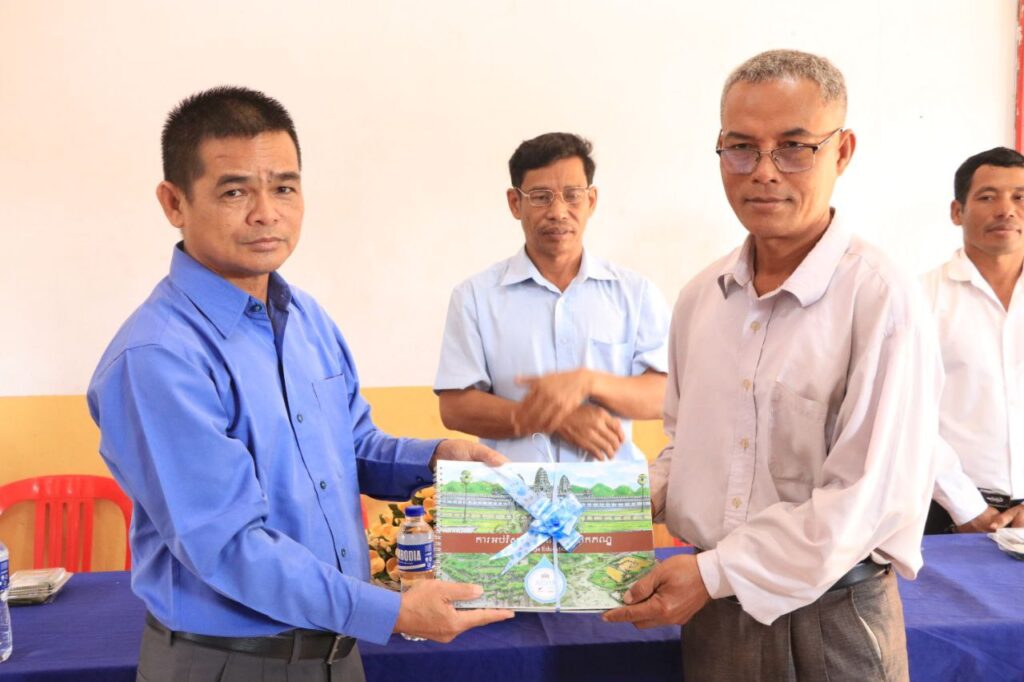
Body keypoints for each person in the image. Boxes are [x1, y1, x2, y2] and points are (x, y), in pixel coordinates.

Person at [87, 86, 513, 682]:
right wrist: (390, 612)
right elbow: (228, 545)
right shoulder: (158, 357)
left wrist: (437, 457)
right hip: (228, 663)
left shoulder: (305, 318)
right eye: (235, 191)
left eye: (284, 187)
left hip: (335, 651)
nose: (267, 213)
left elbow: (351, 446)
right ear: (174, 202)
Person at [604, 50, 943, 681]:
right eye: (740, 147)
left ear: (842, 152)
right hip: (712, 613)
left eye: (793, 147)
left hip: (832, 616)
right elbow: (686, 450)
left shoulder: (880, 300)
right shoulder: (702, 299)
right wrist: (596, 508)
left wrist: (713, 573)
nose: (763, 171)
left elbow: (862, 500)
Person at [434, 132, 669, 463]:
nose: (558, 211)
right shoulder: (474, 297)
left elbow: (665, 395)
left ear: (591, 201)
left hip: (610, 491)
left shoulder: (635, 293)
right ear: (515, 203)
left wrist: (588, 382)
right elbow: (455, 407)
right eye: (541, 197)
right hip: (512, 491)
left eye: (572, 195)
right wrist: (553, 419)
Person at [924, 147, 1024, 534]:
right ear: (957, 211)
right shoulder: (918, 299)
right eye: (987, 197)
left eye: (1019, 197)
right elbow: (906, 416)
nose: (1006, 210)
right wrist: (966, 507)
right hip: (944, 514)